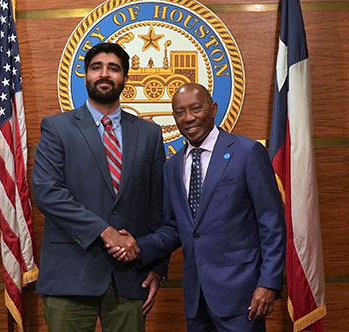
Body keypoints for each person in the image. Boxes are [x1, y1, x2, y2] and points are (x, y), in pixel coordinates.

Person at [109, 83, 286, 331]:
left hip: (242, 295)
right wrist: (139, 246)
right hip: (196, 300)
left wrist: (268, 283)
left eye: (195, 108)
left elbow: (272, 223)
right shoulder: (172, 166)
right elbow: (174, 229)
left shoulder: (247, 153)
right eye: (180, 112)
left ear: (213, 109)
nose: (188, 118)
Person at [32, 42, 166, 332]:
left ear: (125, 79)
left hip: (131, 277)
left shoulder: (150, 134)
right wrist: (106, 233)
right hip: (70, 275)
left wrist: (157, 268)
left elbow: (158, 207)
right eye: (97, 67)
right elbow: (48, 192)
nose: (104, 74)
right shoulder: (57, 128)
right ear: (85, 75)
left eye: (113, 68)